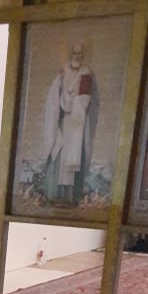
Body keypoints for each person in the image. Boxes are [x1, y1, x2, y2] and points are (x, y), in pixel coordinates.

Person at [43, 40, 99, 206]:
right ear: (70, 54)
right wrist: (63, 101)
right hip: (64, 121)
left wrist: (73, 102)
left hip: (77, 125)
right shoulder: (63, 73)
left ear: (83, 55)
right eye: (74, 53)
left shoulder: (86, 73)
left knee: (74, 159)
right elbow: (54, 97)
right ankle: (56, 195)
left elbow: (85, 100)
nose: (77, 56)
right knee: (60, 157)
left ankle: (72, 197)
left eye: (80, 53)